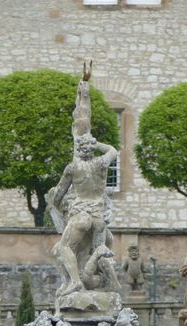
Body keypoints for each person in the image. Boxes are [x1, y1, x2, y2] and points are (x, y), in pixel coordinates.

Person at [49, 63, 120, 297]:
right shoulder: (101, 164)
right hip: (99, 217)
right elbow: (113, 151)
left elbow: (58, 195)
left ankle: (75, 282)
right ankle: (108, 287)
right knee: (98, 251)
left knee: (63, 248)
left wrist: (58, 205)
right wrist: (96, 143)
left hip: (80, 215)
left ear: (78, 149)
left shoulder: (73, 168)